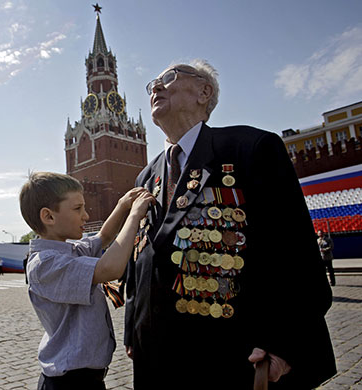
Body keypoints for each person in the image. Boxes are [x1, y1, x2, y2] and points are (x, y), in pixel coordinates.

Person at [123, 60, 336, 389]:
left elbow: (295, 255)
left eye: (168, 78)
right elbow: (142, 259)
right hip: (156, 359)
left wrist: (283, 344)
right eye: (153, 82)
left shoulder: (250, 149)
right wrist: (132, 331)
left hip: (229, 356)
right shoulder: (146, 176)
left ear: (203, 92)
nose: (156, 87)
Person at [20, 172, 154, 390]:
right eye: (77, 209)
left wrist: (122, 206)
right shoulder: (45, 264)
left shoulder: (71, 249)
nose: (86, 215)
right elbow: (110, 268)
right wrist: (134, 216)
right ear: (49, 217)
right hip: (69, 382)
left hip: (85, 378)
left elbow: (104, 237)